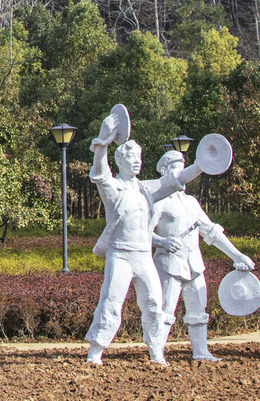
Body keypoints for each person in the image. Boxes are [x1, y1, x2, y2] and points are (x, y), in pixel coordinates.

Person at [85, 134, 201, 365]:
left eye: (140, 157)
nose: (138, 161)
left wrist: (201, 164)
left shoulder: (147, 190)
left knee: (154, 304)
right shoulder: (113, 189)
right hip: (120, 254)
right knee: (111, 301)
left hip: (143, 256)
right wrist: (103, 142)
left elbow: (175, 180)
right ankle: (95, 351)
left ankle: (157, 351)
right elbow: (99, 172)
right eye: (132, 157)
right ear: (120, 159)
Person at [149, 150, 254, 361]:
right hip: (169, 264)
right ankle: (157, 353)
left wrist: (237, 255)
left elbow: (211, 232)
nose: (185, 172)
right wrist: (162, 241)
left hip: (194, 264)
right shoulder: (158, 201)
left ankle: (201, 351)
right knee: (165, 311)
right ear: (165, 171)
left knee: (198, 310)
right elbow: (142, 232)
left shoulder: (191, 203)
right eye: (178, 167)